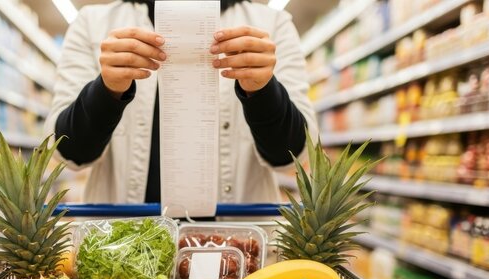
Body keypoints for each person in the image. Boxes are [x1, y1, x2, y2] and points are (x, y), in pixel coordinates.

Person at [44, 0, 318, 205]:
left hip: (238, 246)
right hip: (122, 249)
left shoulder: (272, 25)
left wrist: (263, 90)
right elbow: (66, 153)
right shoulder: (92, 23)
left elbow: (296, 156)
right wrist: (106, 90)